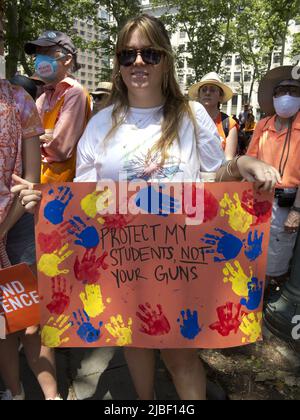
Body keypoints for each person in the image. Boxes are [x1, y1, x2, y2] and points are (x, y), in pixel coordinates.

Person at [13, 14, 280, 401]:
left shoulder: (191, 117)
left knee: (181, 358)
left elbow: (212, 178)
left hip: (179, 260)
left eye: (149, 54)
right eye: (128, 55)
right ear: (118, 63)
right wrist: (45, 202)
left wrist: (240, 166)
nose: (138, 63)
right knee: (133, 342)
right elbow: (85, 199)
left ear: (165, 61)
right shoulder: (100, 123)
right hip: (121, 262)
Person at [0, 79, 59, 400]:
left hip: (19, 225)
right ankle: (15, 391)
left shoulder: (18, 99)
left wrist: (3, 228)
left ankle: (52, 396)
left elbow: (32, 181)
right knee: (2, 325)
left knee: (29, 319)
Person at [246, 66, 300, 293]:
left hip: (287, 204)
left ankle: (268, 297)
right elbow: (249, 160)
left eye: (293, 90)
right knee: (252, 250)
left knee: (277, 257)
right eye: (281, 90)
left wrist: (297, 210)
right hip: (258, 199)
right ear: (274, 96)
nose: (286, 95)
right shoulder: (263, 125)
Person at [24, 30, 92, 184]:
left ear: (67, 59)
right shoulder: (43, 97)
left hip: (64, 189)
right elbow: (25, 135)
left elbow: (60, 148)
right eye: (37, 54)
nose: (39, 59)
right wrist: (42, 137)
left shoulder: (75, 93)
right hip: (38, 184)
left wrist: (33, 140)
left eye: (47, 53)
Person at [189, 72, 239, 160]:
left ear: (220, 96)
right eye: (204, 90)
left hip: (218, 173)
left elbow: (228, 160)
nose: (207, 93)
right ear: (199, 95)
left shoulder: (229, 124)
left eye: (212, 90)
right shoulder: (188, 121)